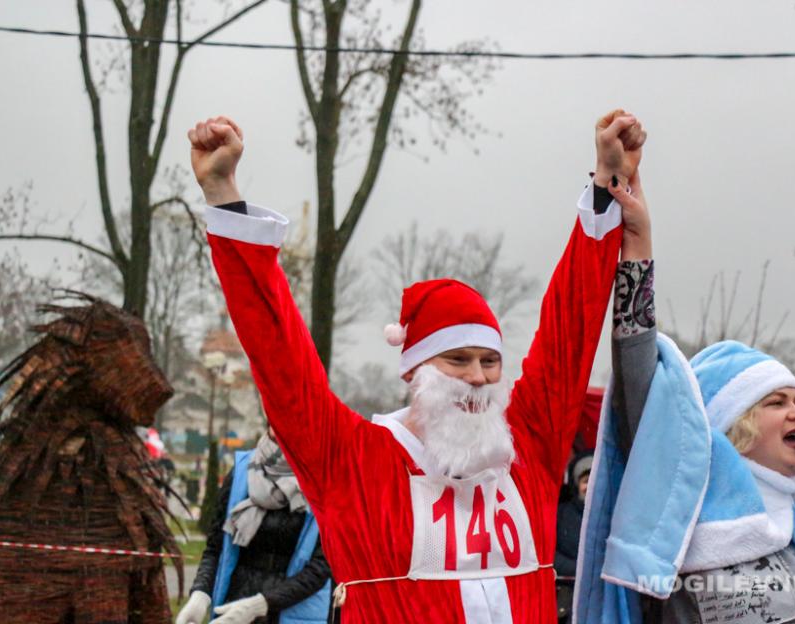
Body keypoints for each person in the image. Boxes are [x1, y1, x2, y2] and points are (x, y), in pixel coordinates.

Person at [186, 109, 645, 623]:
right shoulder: (352, 458)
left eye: (490, 362)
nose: (478, 376)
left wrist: (609, 181)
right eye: (458, 360)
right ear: (414, 373)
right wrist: (224, 195)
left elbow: (571, 328)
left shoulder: (526, 446)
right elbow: (279, 358)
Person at [573, 166, 795, 623]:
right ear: (733, 422)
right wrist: (638, 241)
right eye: (776, 402)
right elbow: (639, 377)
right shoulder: (680, 513)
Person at [176, 430, 331, 624]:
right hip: (233, 611)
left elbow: (321, 568)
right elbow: (216, 548)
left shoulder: (325, 479)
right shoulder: (243, 470)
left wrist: (259, 605)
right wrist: (200, 594)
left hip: (290, 613)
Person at [555, 450, 595, 623]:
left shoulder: (615, 514)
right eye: (586, 481)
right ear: (576, 484)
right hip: (567, 597)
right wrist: (583, 569)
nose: (591, 486)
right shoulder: (561, 514)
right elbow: (549, 554)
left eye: (595, 480)